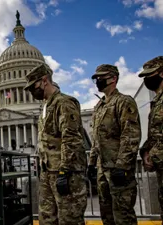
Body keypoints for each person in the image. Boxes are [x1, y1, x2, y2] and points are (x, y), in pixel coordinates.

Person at [24, 63, 87, 225]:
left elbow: (71, 140)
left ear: (45, 80)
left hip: (66, 174)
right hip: (48, 173)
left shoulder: (64, 103)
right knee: (47, 219)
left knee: (69, 219)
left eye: (34, 86)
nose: (32, 91)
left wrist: (64, 172)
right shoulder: (46, 107)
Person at [87, 64, 141, 225]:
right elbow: (96, 140)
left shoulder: (124, 102)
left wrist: (122, 166)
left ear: (113, 78)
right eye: (96, 78)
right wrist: (91, 164)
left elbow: (130, 135)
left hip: (118, 170)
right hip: (102, 171)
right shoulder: (99, 107)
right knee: (107, 216)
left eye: (101, 77)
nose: (97, 80)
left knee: (123, 216)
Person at [138, 56, 163, 223]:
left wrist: (153, 153)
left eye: (150, 74)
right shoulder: (156, 101)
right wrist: (146, 151)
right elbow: (156, 132)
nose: (147, 79)